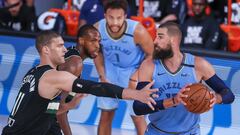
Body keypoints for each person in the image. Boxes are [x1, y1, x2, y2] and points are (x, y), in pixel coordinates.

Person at [1, 30, 158, 135]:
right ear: (46, 50)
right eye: (60, 46)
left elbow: (43, 110)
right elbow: (96, 87)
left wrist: (66, 107)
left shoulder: (33, 73)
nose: (64, 49)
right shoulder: (53, 76)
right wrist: (134, 94)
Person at [133, 22, 235, 135]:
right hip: (157, 132)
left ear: (173, 40)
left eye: (160, 37)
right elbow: (138, 107)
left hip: (190, 132)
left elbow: (229, 95)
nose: (155, 41)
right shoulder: (149, 66)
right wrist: (173, 101)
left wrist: (215, 98)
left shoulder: (198, 65)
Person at [93, 0, 154, 135]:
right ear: (104, 15)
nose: (115, 22)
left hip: (133, 71)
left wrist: (137, 75)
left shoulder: (138, 31)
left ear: (125, 16)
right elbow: (95, 53)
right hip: (110, 71)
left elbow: (152, 55)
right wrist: (102, 75)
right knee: (106, 114)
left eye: (119, 18)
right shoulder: (97, 28)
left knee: (137, 117)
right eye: (110, 17)